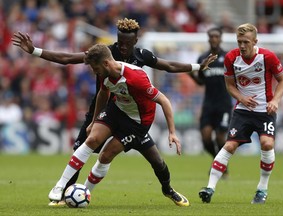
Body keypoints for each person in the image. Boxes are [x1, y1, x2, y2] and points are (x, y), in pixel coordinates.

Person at [12, 18, 217, 207]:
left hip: (138, 119)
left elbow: (169, 67)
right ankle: (64, 192)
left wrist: (198, 66)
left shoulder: (139, 62)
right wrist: (35, 51)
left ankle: (168, 189)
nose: (123, 46)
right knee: (86, 144)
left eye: (127, 42)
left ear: (135, 40)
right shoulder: (103, 54)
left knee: (154, 161)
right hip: (110, 109)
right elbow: (69, 59)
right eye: (119, 41)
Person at [47, 43, 186, 206]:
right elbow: (103, 93)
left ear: (105, 63)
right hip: (117, 110)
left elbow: (164, 100)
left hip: (137, 123)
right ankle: (60, 186)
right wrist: (94, 121)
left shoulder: (136, 78)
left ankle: (167, 190)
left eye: (95, 68)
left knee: (119, 157)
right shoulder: (104, 73)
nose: (94, 72)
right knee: (91, 140)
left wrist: (172, 132)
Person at [198, 23, 283, 204]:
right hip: (243, 111)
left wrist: (275, 101)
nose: (242, 45)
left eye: (246, 42)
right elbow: (230, 85)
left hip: (265, 111)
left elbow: (282, 80)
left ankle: (262, 189)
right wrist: (242, 98)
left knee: (267, 144)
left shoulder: (267, 57)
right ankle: (209, 188)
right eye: (240, 42)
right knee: (229, 146)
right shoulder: (231, 58)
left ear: (255, 41)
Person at [189, 27, 232, 177]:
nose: (214, 39)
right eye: (211, 36)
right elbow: (201, 82)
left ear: (220, 38)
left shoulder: (228, 57)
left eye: (216, 36)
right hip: (208, 104)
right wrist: (191, 75)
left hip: (224, 104)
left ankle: (220, 165)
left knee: (221, 136)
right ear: (208, 39)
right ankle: (219, 162)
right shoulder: (202, 58)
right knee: (206, 137)